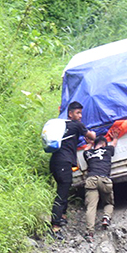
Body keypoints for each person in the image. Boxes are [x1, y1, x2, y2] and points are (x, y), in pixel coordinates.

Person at [49, 101, 97, 239]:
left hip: (55, 162)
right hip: (64, 163)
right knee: (62, 193)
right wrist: (92, 135)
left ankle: (62, 217)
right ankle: (55, 227)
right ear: (70, 114)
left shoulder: (63, 126)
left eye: (81, 113)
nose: (80, 116)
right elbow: (92, 136)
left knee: (64, 188)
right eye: (78, 113)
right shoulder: (76, 125)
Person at [82, 136, 116, 242]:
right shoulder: (108, 149)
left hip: (91, 179)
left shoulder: (87, 153)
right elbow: (114, 143)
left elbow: (86, 149)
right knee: (109, 203)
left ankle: (90, 233)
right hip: (104, 179)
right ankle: (106, 217)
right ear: (105, 144)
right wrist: (115, 137)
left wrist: (91, 143)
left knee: (91, 207)